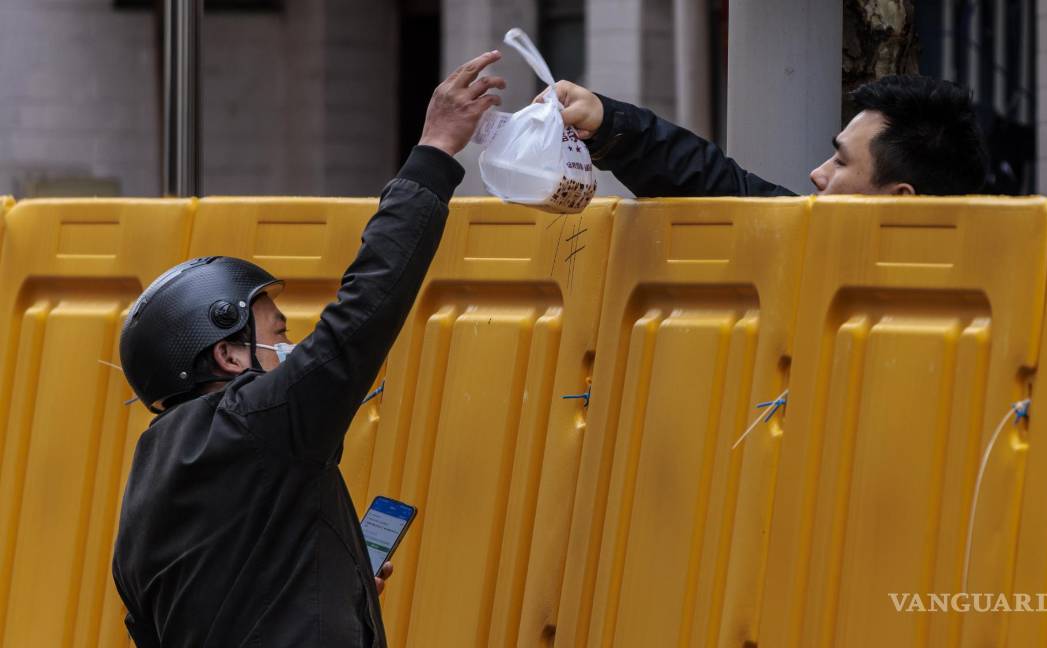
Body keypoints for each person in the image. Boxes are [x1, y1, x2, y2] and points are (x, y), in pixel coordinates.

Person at [112, 50, 506, 647]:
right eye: (275, 333)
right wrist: (434, 152)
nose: (289, 346)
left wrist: (331, 583)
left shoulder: (148, 482)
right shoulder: (260, 422)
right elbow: (364, 311)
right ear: (227, 355)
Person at [544, 74, 988, 197]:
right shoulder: (807, 242)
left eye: (841, 162)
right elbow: (714, 184)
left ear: (902, 198)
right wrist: (610, 122)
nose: (816, 173)